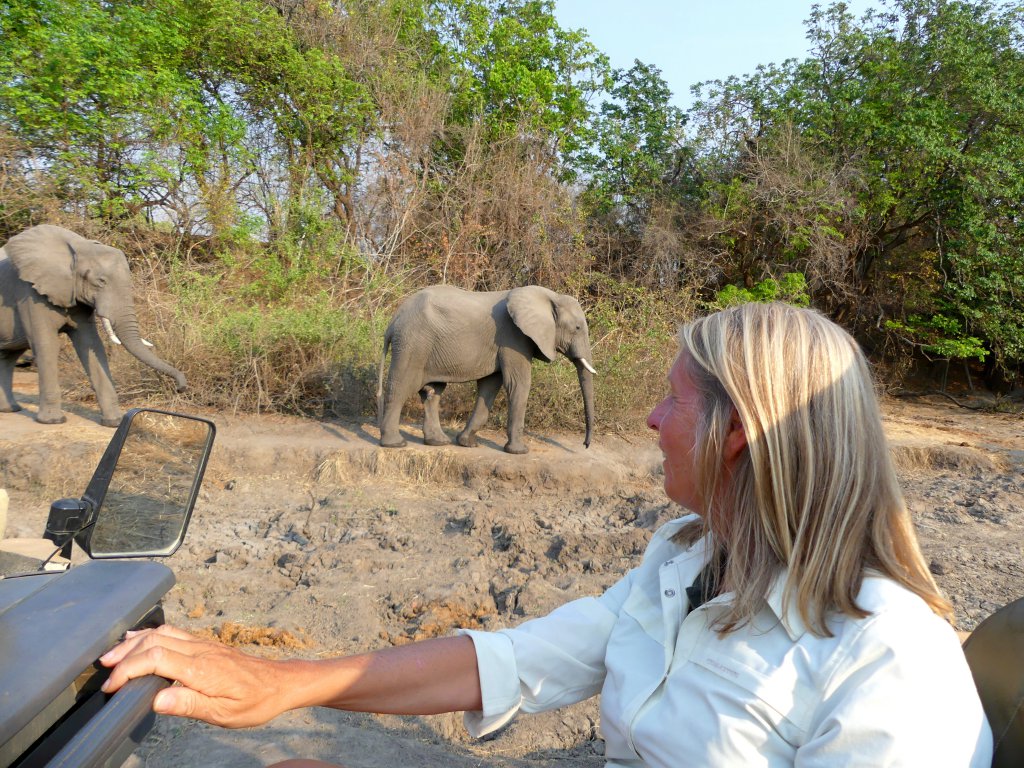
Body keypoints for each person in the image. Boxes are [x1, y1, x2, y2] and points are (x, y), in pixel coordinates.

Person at [101, 302, 993, 767]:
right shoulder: (683, 565)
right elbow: (513, 660)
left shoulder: (889, 658)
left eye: (673, 401)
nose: (646, 419)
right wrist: (277, 684)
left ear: (735, 437)